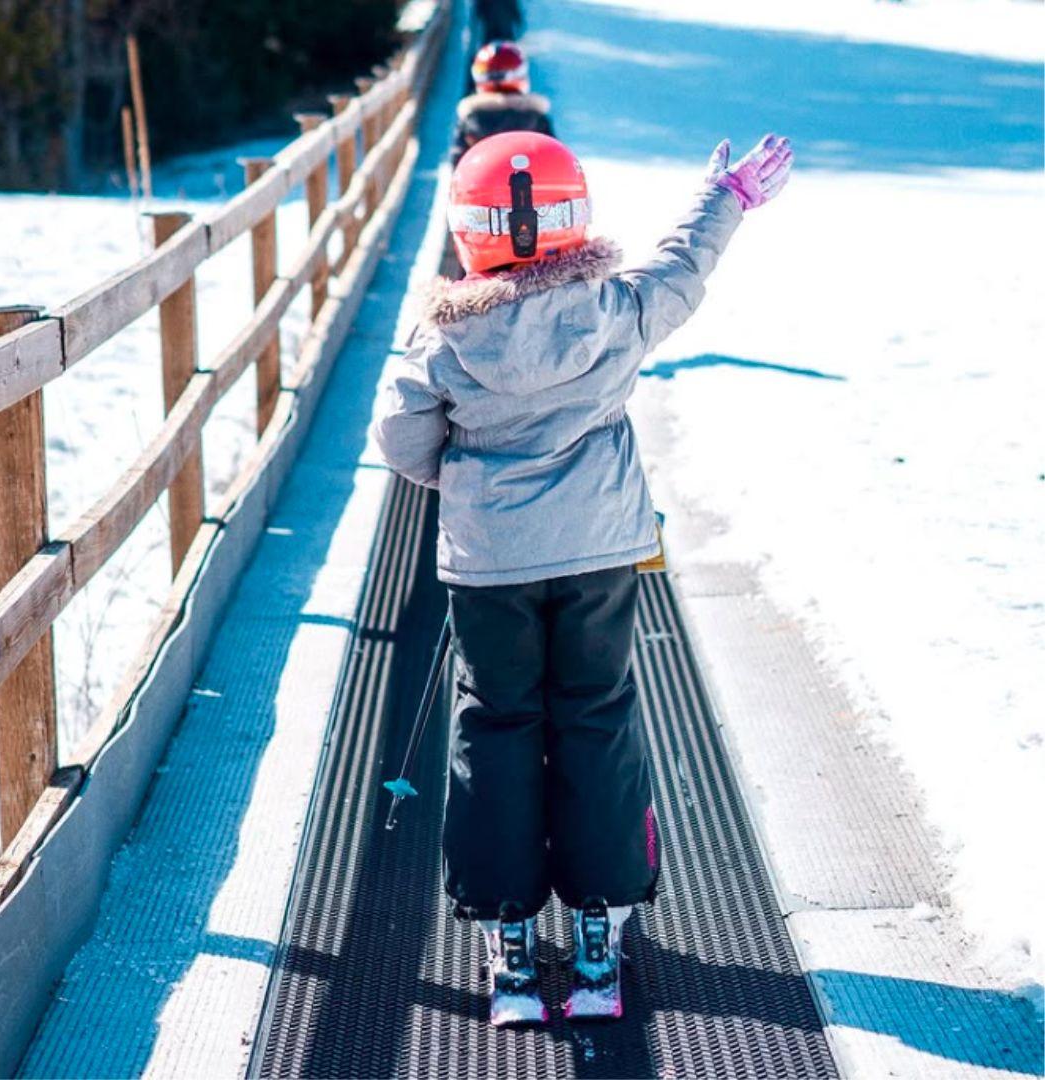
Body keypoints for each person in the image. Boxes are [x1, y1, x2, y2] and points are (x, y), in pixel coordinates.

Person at [372, 129, 793, 1026]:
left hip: (489, 566)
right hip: (601, 551)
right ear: (575, 217)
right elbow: (683, 266)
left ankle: (512, 943)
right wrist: (727, 198)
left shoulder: (440, 337)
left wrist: (472, 478)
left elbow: (401, 439)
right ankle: (600, 930)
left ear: (468, 229)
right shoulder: (617, 312)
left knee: (496, 724)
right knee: (597, 718)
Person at [452, 41, 553, 167]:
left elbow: (457, 162)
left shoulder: (470, 119)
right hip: (529, 183)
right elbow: (553, 158)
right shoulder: (536, 117)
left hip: (481, 184)